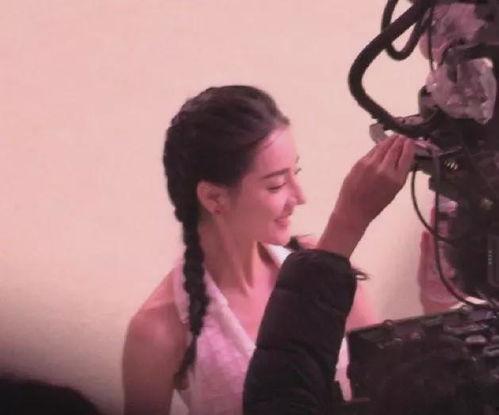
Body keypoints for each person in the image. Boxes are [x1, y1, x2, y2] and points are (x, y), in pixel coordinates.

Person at [122, 85, 414, 415]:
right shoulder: (158, 328)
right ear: (214, 198)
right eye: (276, 185)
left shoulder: (318, 263)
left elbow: (389, 385)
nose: (299, 197)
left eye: (295, 173)